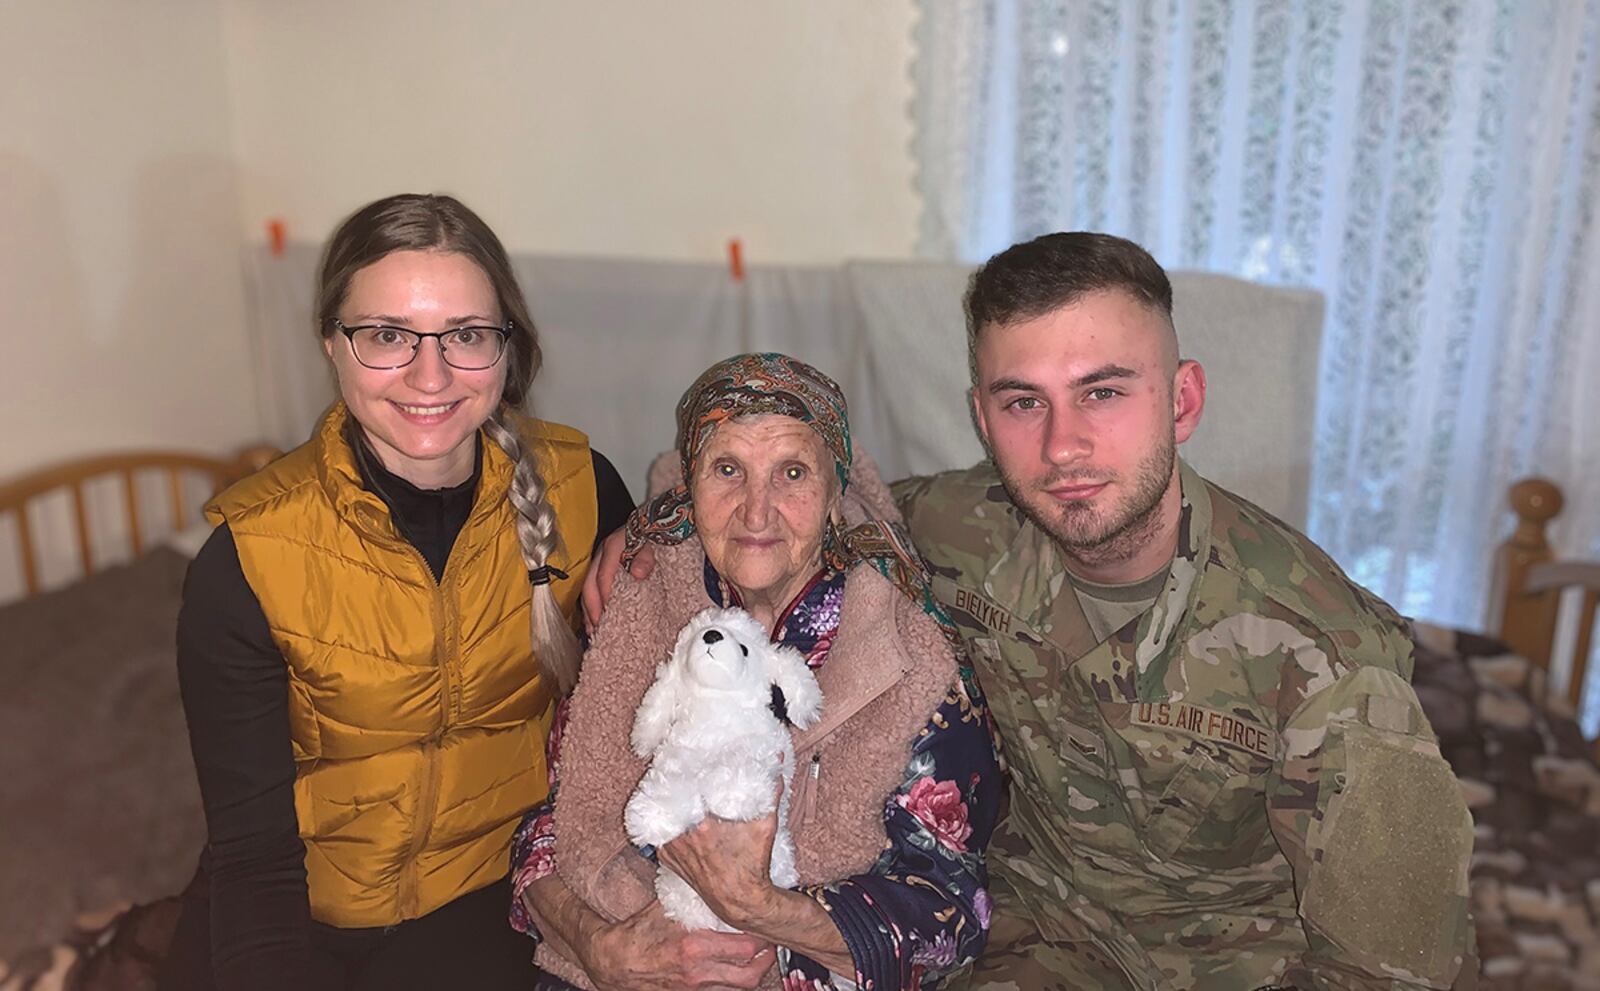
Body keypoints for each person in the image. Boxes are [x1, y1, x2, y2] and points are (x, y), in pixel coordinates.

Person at [586, 236, 1478, 990]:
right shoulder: (957, 527)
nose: (1062, 445)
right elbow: (794, 492)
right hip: (1031, 936)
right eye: (1024, 403)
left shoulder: (1332, 659)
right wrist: (647, 525)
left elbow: (1393, 968)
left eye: (1104, 391)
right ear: (981, 416)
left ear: (1183, 400)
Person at [161, 193, 633, 991]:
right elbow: (253, 860)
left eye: (466, 336)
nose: (430, 374)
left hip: (489, 903)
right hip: (296, 914)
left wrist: (658, 536)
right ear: (330, 343)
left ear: (506, 348)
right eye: (387, 335)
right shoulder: (245, 560)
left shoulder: (582, 493)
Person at [513, 352, 1001, 991]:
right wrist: (603, 948)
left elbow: (956, 915)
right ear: (690, 487)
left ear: (833, 497)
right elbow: (549, 825)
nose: (755, 511)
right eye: (728, 470)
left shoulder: (908, 659)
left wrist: (760, 914)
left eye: (792, 472)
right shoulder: (639, 607)